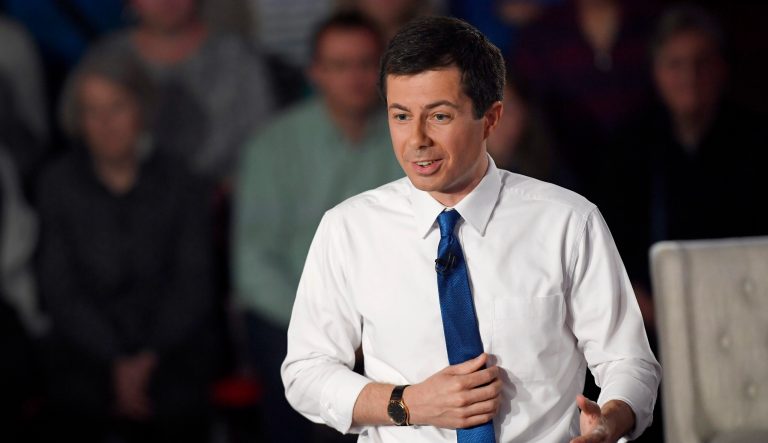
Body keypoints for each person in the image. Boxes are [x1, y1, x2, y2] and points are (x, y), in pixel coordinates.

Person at [282, 16, 660, 442]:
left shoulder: (567, 222)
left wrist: (610, 422)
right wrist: (407, 403)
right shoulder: (349, 229)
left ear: (491, 118)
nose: (417, 139)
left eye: (439, 116)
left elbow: (629, 362)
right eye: (401, 116)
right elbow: (305, 373)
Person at [233, 11, 403, 443]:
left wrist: (374, 324)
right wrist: (328, 326)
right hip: (293, 314)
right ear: (315, 72)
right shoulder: (273, 145)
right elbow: (254, 263)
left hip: (391, 316)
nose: (355, 78)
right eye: (339, 65)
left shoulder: (409, 136)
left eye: (365, 64)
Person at [37, 47, 219, 443]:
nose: (105, 124)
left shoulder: (182, 182)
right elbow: (59, 288)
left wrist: (145, 356)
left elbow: (193, 283)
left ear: (142, 109)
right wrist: (116, 357)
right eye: (92, 111)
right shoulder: (57, 184)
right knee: (71, 397)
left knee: (181, 401)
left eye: (117, 107)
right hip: (85, 346)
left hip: (171, 344)